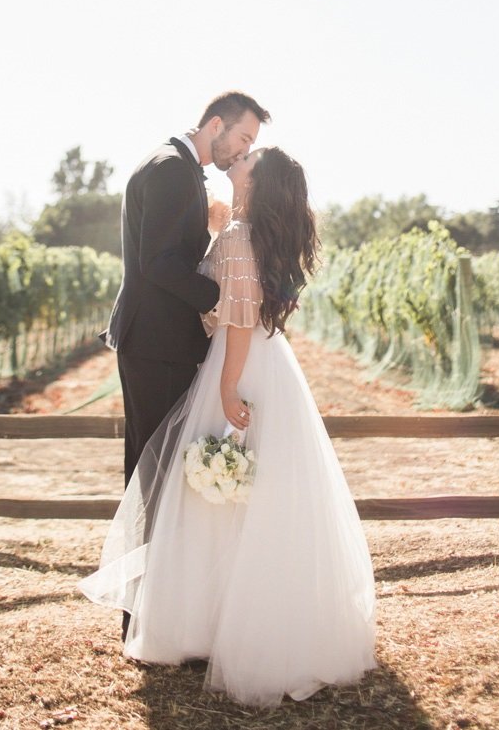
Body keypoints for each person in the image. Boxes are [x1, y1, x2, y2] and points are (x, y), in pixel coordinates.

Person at [81, 147, 377, 708]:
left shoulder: (241, 238)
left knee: (216, 494)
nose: (234, 163)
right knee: (252, 496)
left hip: (235, 364)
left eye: (245, 162)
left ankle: (207, 622)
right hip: (268, 365)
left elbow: (238, 314)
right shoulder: (256, 234)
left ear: (257, 183)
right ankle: (247, 617)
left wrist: (225, 385)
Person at [105, 91, 270, 487]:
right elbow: (160, 263)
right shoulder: (172, 169)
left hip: (158, 341)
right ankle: (152, 550)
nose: (245, 149)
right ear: (217, 125)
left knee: (156, 462)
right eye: (244, 139)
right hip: (157, 342)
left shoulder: (176, 165)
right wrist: (224, 301)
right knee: (156, 467)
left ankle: (157, 549)